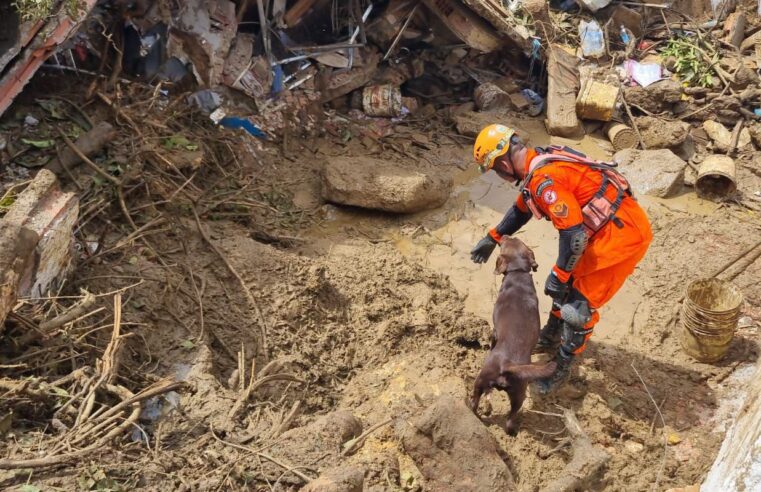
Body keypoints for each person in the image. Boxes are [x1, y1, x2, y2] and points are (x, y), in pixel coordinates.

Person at [469, 124, 653, 393]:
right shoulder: (539, 164)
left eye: (496, 170)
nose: (500, 176)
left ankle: (560, 369)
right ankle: (552, 334)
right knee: (564, 285)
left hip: (620, 237)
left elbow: (574, 236)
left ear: (504, 163)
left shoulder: (545, 180)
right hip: (601, 229)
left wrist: (559, 273)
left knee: (578, 307)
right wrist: (493, 237)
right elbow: (522, 209)